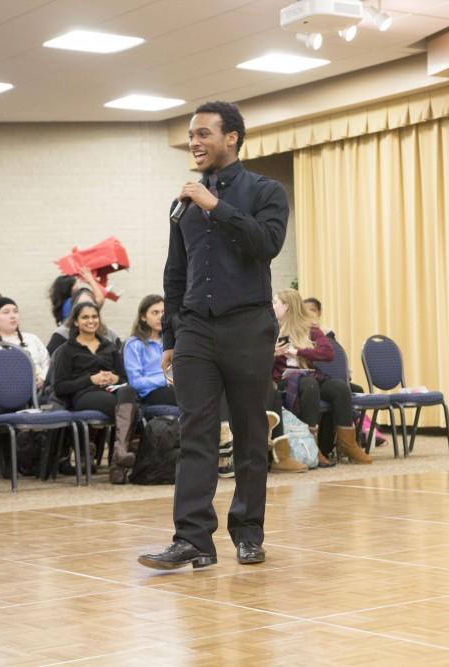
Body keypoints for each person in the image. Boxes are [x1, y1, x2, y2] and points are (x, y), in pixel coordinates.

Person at [138, 100, 288, 571]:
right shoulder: (182, 203)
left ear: (232, 138)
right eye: (191, 135)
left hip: (247, 325)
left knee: (247, 433)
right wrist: (170, 339)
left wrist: (216, 207)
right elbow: (175, 274)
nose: (195, 143)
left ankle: (248, 533)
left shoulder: (267, 191)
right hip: (196, 331)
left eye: (204, 133)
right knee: (195, 433)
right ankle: (193, 539)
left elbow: (267, 244)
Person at [272, 289, 370, 466]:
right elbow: (257, 357)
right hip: (283, 380)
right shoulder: (271, 329)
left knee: (340, 387)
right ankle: (311, 445)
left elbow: (327, 353)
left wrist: (298, 351)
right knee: (310, 385)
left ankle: (347, 443)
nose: (273, 307)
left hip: (306, 375)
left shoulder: (310, 329)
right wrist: (273, 352)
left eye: (275, 303)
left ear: (286, 306)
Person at [51, 302, 139, 484]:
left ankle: (119, 454)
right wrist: (90, 379)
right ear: (75, 322)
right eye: (85, 317)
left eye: (94, 316)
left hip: (111, 390)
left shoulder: (109, 346)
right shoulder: (67, 350)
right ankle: (118, 462)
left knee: (129, 390)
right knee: (129, 409)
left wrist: (115, 379)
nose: (91, 321)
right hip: (84, 394)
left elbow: (124, 378)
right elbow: (60, 386)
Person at [0, 298, 50, 407]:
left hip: (36, 390)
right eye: (6, 312)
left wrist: (42, 379)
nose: (13, 316)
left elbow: (47, 364)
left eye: (15, 311)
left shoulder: (32, 339)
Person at [123, 295, 176, 407]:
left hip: (173, 387)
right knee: (184, 397)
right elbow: (135, 382)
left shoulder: (171, 342)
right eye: (155, 313)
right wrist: (166, 380)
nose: (161, 317)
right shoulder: (134, 344)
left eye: (163, 312)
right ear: (143, 317)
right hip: (150, 394)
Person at [46, 288, 120, 356]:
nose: (86, 308)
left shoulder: (110, 335)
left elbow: (122, 362)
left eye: (90, 304)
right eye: (81, 305)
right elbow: (50, 363)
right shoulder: (62, 334)